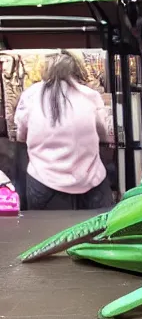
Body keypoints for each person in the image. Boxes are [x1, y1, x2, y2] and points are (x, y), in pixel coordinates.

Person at [14, 51, 112, 210]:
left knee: (49, 232)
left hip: (43, 181)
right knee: (94, 231)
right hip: (90, 182)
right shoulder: (90, 96)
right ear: (75, 70)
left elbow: (21, 135)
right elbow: (104, 134)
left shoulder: (31, 94)